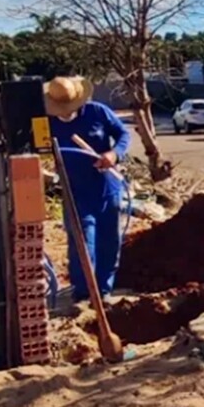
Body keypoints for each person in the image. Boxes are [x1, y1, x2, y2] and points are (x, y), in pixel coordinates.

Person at [45, 76, 131, 302]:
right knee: (83, 243)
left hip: (107, 188)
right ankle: (83, 293)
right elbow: (34, 149)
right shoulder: (46, 123)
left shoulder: (97, 112)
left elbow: (123, 134)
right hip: (75, 191)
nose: (65, 112)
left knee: (109, 241)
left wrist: (114, 154)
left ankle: (104, 291)